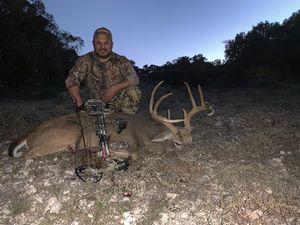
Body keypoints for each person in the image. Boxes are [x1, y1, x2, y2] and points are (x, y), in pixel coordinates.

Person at [65, 27, 141, 114]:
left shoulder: (122, 60)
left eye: (106, 43)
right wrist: (79, 105)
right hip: (95, 105)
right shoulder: (84, 60)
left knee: (134, 91)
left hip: (118, 103)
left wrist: (113, 89)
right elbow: (71, 80)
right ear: (93, 43)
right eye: (99, 43)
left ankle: (123, 119)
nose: (102, 47)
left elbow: (134, 78)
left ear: (111, 44)